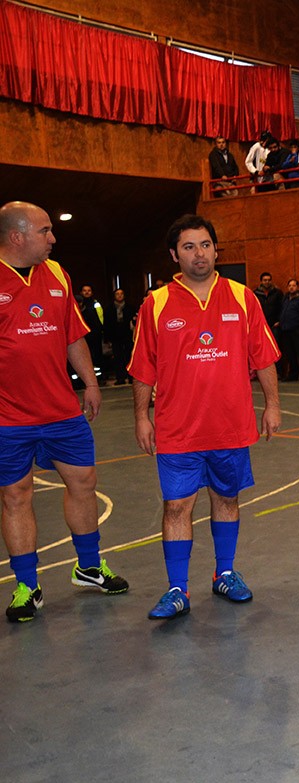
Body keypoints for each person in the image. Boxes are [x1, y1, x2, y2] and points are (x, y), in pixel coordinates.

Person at [129, 214, 281, 621]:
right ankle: (177, 589)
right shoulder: (156, 303)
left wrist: (273, 404)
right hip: (178, 429)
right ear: (174, 255)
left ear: (216, 249)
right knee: (177, 506)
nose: (199, 254)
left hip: (230, 425)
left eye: (206, 245)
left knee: (227, 498)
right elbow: (143, 367)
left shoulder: (242, 297)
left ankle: (225, 572)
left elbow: (262, 356)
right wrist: (142, 417)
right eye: (189, 247)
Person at [0, 202, 129, 623]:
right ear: (17, 236)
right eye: (45, 231)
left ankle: (89, 567)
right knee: (16, 495)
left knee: (83, 482)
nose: (53, 238)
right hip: (8, 417)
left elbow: (72, 334)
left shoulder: (57, 274)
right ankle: (26, 586)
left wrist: (90, 383)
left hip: (60, 410)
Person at [277, 278, 299, 383]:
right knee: (290, 355)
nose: (291, 287)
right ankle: (293, 374)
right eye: (290, 286)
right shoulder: (285, 298)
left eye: (294, 285)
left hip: (298, 331)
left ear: (298, 287)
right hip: (286, 331)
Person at [106, 287, 137, 386]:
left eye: (121, 294)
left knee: (129, 356)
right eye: (117, 294)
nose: (119, 296)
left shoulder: (130, 308)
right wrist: (108, 338)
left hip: (127, 335)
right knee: (118, 357)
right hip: (115, 336)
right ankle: (120, 377)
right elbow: (106, 324)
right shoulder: (109, 309)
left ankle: (131, 376)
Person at [77, 284, 105, 381]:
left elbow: (101, 318)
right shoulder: (77, 304)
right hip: (82, 336)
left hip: (95, 335)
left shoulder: (95, 304)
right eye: (84, 290)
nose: (87, 292)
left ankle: (99, 377)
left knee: (97, 357)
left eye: (89, 290)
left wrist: (101, 331)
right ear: (81, 292)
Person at [254, 272, 283, 336]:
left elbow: (282, 307)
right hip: (261, 324)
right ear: (261, 281)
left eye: (269, 280)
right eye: (265, 280)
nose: (267, 282)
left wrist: (279, 320)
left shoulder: (277, 292)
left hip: (274, 325)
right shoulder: (256, 293)